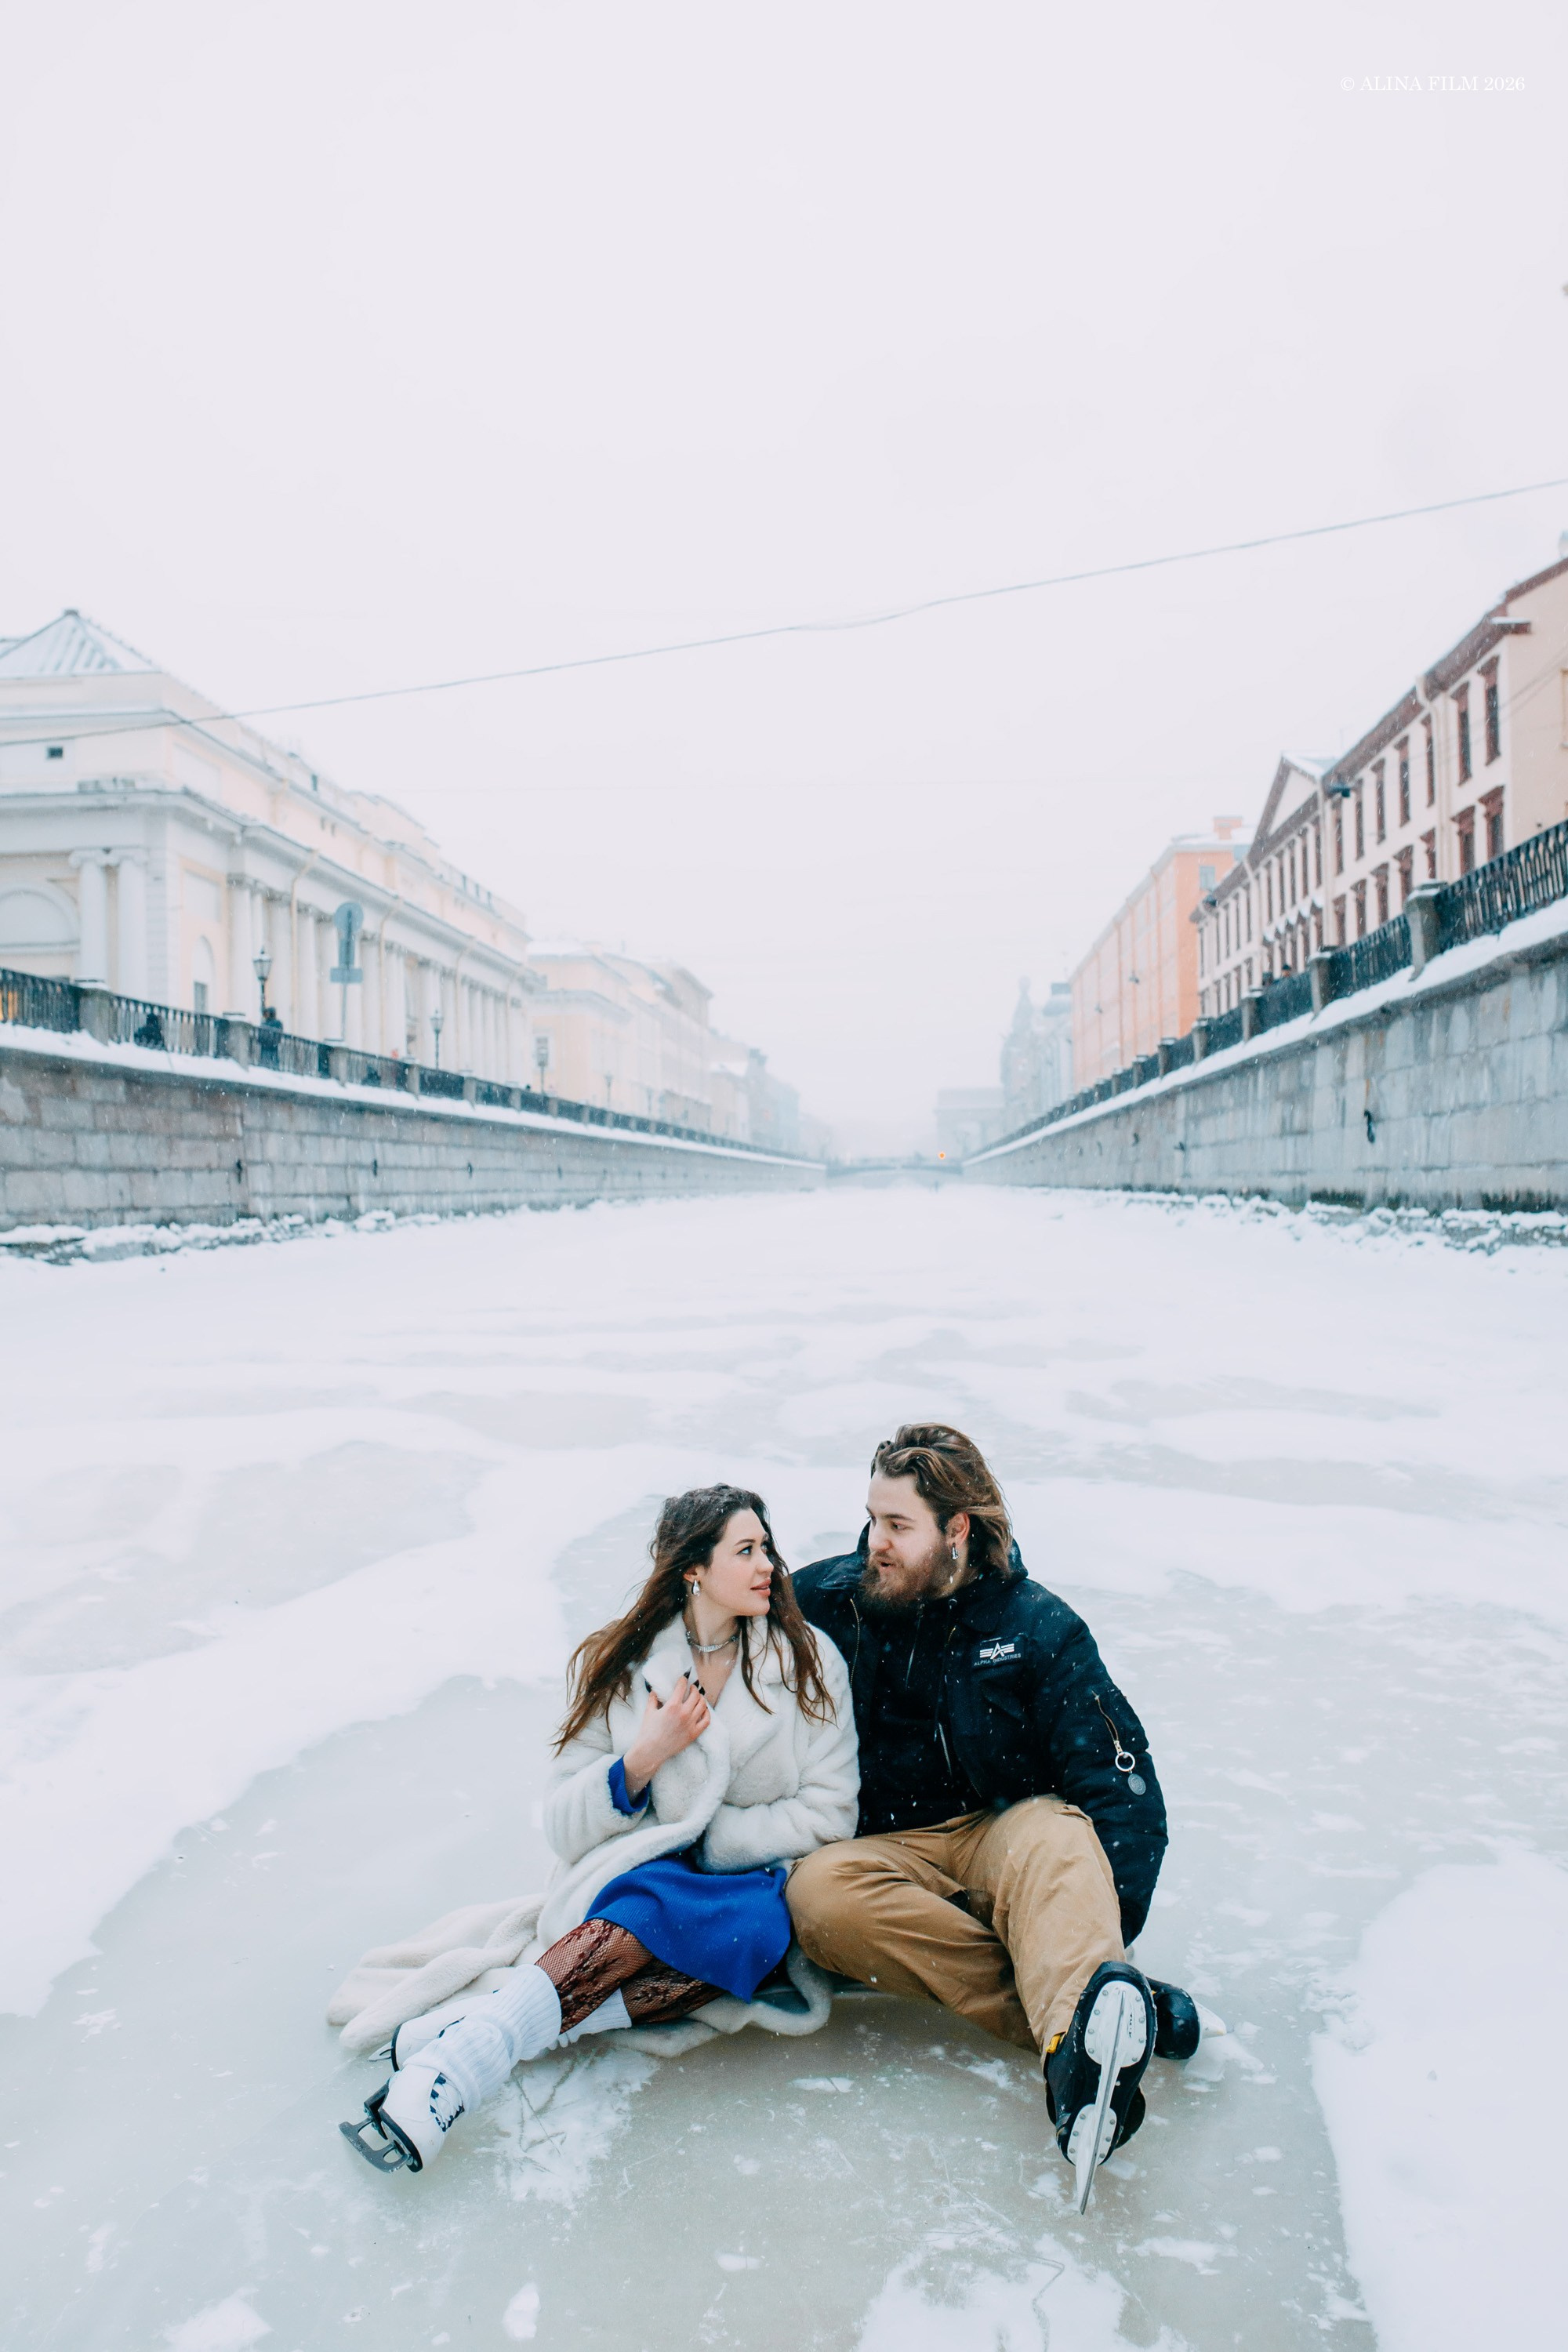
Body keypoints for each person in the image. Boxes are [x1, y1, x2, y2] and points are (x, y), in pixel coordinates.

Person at [339, 1484, 858, 2173]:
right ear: (693, 1568)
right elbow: (562, 1821)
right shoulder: (623, 1661)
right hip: (637, 1877)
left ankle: (477, 2028)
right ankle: (457, 2068)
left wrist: (710, 1839)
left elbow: (832, 1811)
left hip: (753, 1877)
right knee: (650, 1900)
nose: (768, 1565)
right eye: (746, 1550)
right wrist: (642, 1759)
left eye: (767, 1547)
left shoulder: (808, 1662)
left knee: (749, 1936)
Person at [787, 1425, 1200, 2212]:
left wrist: (1103, 1924)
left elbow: (1121, 1790)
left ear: (956, 1530)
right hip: (887, 1852)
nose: (875, 1542)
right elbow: (720, 1631)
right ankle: (1090, 2016)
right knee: (816, 1894)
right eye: (872, 1519)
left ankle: (1080, 2079)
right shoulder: (829, 1602)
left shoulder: (1037, 1627)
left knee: (1059, 1831)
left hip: (1003, 1835)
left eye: (897, 1525)